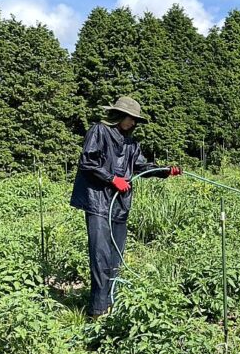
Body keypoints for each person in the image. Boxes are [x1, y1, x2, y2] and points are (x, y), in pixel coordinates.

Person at [70, 95, 181, 318]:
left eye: (135, 120)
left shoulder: (131, 144)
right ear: (119, 115)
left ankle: (112, 303)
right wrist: (112, 178)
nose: (133, 123)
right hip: (99, 202)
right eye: (131, 118)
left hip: (119, 206)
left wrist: (166, 171)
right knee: (100, 256)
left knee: (116, 256)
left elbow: (142, 167)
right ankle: (97, 311)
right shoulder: (99, 131)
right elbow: (87, 162)